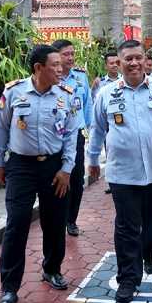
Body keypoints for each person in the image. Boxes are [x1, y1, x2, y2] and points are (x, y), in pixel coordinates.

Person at [88, 39, 152, 303]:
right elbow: (97, 130)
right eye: (127, 59)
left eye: (137, 58)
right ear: (118, 63)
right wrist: (93, 160)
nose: (133, 63)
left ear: (145, 59)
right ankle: (128, 279)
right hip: (123, 174)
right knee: (126, 227)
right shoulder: (107, 94)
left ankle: (149, 253)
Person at [0, 45, 79, 303]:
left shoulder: (67, 94)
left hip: (54, 167)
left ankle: (51, 270)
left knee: (54, 222)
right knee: (16, 223)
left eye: (60, 64)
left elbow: (71, 135)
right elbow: (1, 128)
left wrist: (66, 169)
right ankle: (9, 287)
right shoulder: (13, 92)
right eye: (54, 64)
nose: (60, 68)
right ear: (38, 68)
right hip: (21, 167)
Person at [52, 39, 93, 237]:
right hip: (53, 136)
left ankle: (71, 220)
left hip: (76, 135)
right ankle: (57, 217)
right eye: (66, 54)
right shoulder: (51, 76)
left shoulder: (80, 77)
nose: (70, 57)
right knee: (56, 177)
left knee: (76, 179)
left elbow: (87, 104)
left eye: (72, 53)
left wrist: (87, 129)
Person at [91, 51, 121, 194]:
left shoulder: (125, 80)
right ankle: (112, 182)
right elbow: (93, 101)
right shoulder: (99, 83)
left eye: (117, 62)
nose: (115, 65)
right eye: (111, 63)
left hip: (123, 123)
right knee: (110, 153)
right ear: (106, 65)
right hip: (108, 124)